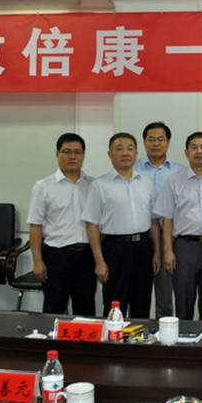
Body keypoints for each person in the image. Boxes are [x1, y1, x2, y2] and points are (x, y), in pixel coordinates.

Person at [81, 133, 160, 318]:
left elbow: (154, 222)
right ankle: (114, 336)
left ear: (136, 153)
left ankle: (140, 337)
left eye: (130, 149)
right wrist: (99, 261)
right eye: (119, 148)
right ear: (110, 154)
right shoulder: (99, 185)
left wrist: (156, 252)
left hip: (143, 248)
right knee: (115, 304)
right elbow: (91, 225)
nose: (125, 153)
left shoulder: (146, 183)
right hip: (115, 250)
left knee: (142, 304)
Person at [153, 132, 202, 321]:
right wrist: (168, 250)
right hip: (184, 247)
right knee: (183, 301)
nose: (199, 151)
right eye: (194, 147)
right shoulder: (174, 181)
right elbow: (167, 219)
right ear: (186, 152)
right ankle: (183, 337)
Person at [27, 133, 96, 316]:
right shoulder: (43, 186)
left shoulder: (93, 185)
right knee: (54, 309)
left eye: (77, 152)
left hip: (86, 256)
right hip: (57, 257)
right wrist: (37, 260)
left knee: (86, 310)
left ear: (83, 155)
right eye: (67, 151)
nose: (72, 156)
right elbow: (35, 226)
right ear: (57, 154)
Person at [134, 121, 186, 319]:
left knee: (164, 293)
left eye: (160, 139)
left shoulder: (179, 171)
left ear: (168, 142)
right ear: (144, 142)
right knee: (137, 292)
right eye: (151, 139)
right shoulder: (133, 168)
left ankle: (163, 330)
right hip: (138, 236)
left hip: (167, 235)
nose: (156, 143)